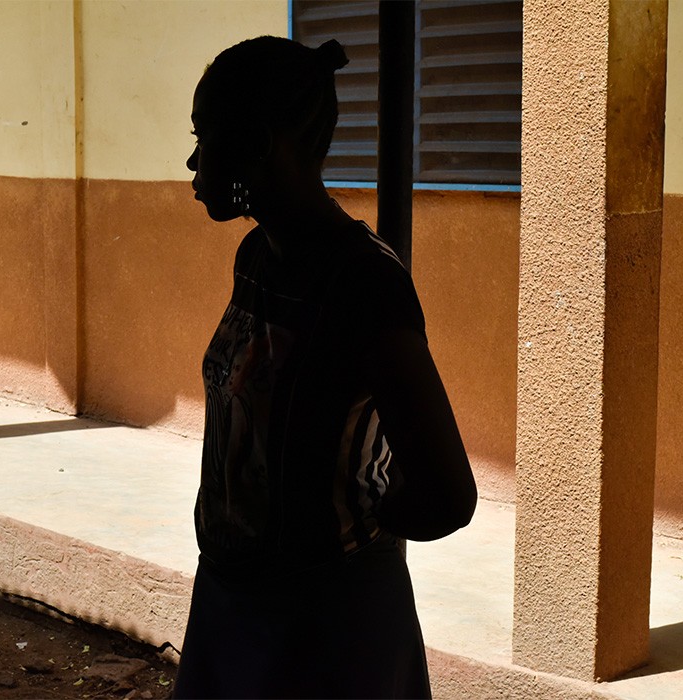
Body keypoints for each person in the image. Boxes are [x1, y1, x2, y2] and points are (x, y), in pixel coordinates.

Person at [174, 36, 478, 699]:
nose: (195, 160)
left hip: (326, 632)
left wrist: (346, 526)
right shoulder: (258, 256)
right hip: (235, 601)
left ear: (260, 143)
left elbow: (447, 494)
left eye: (209, 137)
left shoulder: (364, 283)